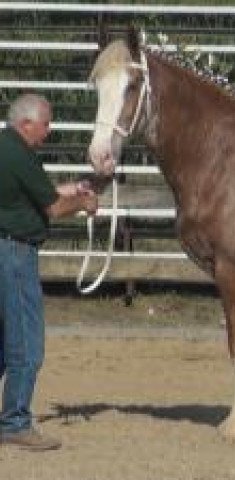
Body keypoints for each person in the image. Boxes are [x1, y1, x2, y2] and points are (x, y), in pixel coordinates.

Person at [0, 93, 98, 451]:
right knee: (27, 343)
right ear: (26, 123)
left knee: (3, 340)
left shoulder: (6, 149)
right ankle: (15, 422)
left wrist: (71, 189)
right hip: (15, 253)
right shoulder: (20, 155)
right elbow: (54, 208)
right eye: (46, 124)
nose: (49, 131)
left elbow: (32, 196)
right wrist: (83, 202)